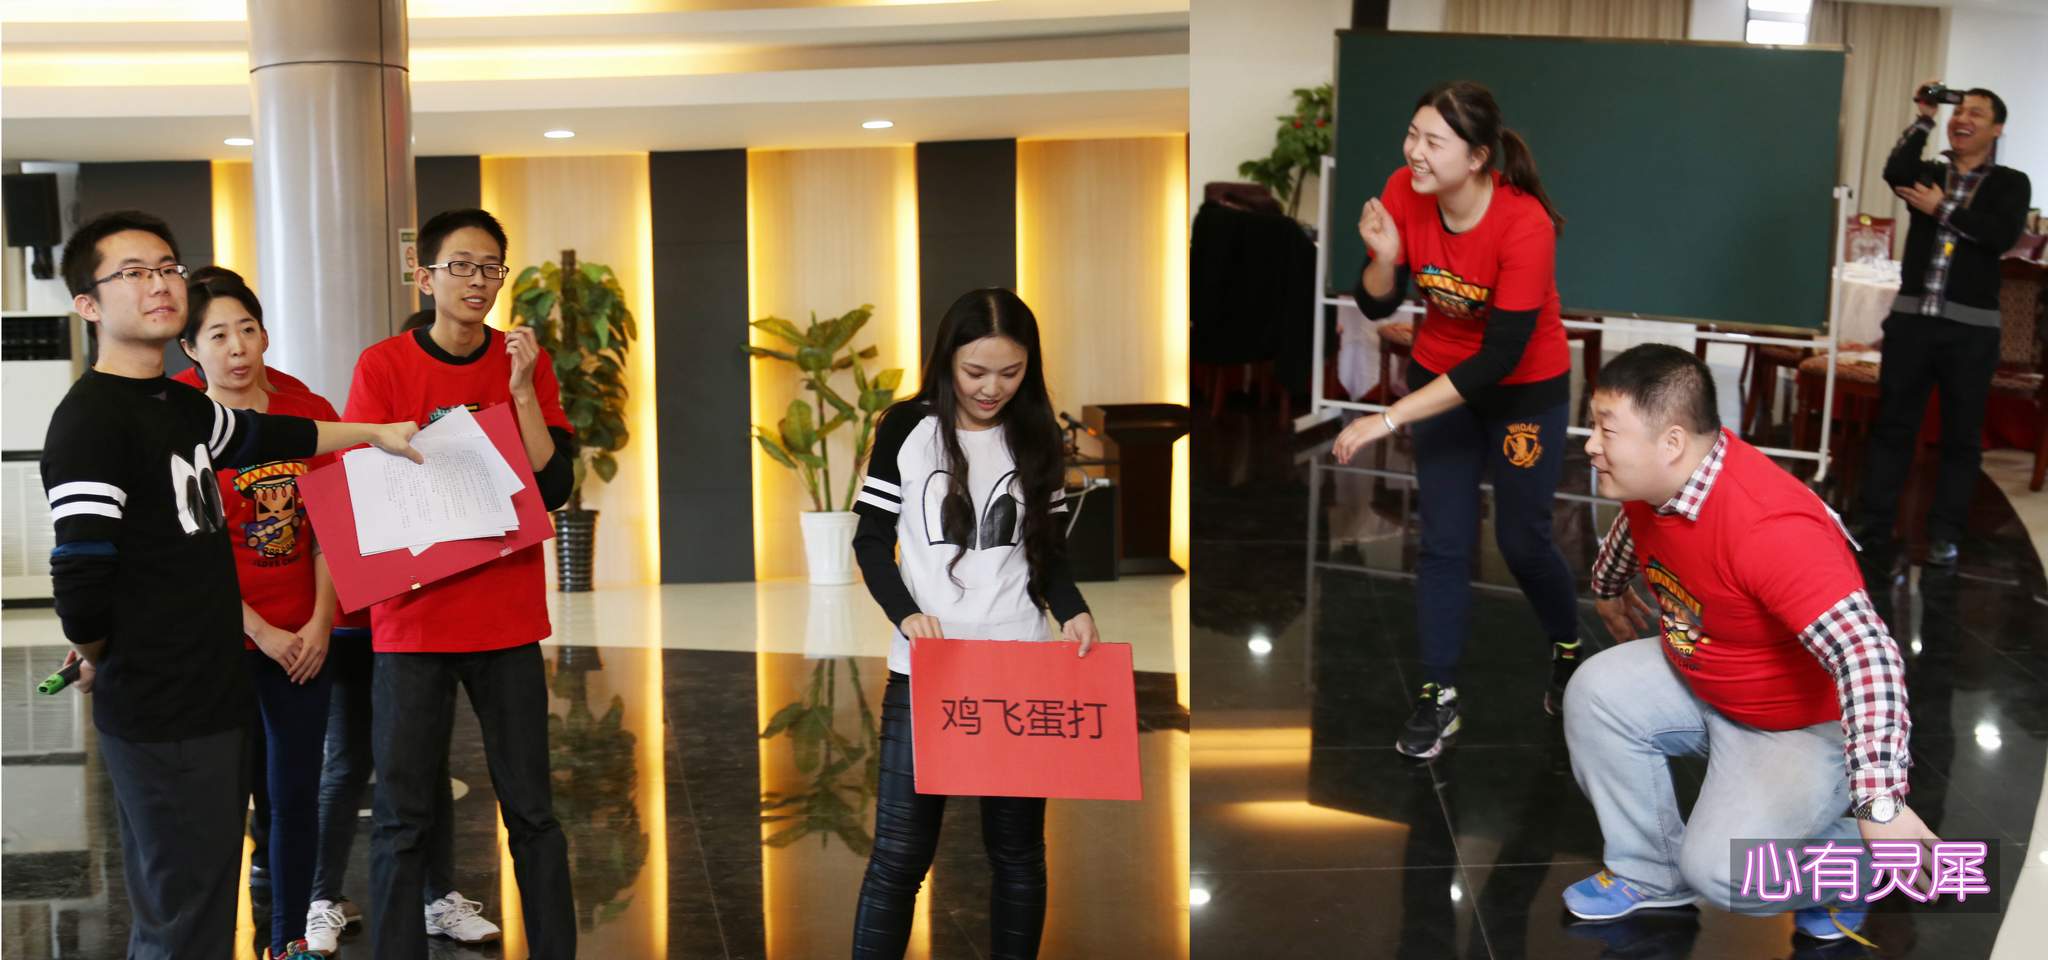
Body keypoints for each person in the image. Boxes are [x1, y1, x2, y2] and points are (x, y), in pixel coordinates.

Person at [42, 210, 420, 960]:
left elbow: (271, 435)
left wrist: (374, 433)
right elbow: (79, 575)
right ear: (88, 304)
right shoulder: (90, 421)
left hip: (211, 696)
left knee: (207, 904)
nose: (159, 284)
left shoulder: (180, 406)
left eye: (167, 268)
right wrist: (100, 651)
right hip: (160, 707)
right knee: (180, 912)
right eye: (134, 273)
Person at [1564, 345, 1933, 946]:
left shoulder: (1770, 526)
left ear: (1671, 442)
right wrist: (1607, 587)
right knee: (1595, 691)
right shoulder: (1658, 480)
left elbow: (1868, 655)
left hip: (1800, 726)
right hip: (1711, 677)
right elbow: (1638, 524)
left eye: (1606, 429)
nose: (1590, 445)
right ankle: (1651, 873)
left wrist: (1880, 805)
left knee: (1726, 871)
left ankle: (1861, 865)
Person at [344, 208, 578, 959]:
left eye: (490, 268)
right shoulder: (383, 366)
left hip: (506, 616)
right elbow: (364, 488)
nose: (477, 281)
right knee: (402, 815)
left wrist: (523, 391)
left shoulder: (525, 362)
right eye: (461, 266)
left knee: (532, 810)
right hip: (412, 620)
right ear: (426, 276)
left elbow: (554, 487)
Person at [1329, 80, 1582, 758]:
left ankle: (1567, 648)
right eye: (1412, 135)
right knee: (1442, 541)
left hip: (1523, 391)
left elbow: (1500, 356)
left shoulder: (1524, 224)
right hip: (1440, 378)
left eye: (1433, 142)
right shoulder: (1404, 190)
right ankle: (1437, 693)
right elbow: (1378, 306)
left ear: (1476, 158)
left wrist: (1388, 419)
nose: (1414, 151)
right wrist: (1385, 260)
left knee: (1524, 542)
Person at [848, 288, 1100, 960]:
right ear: (946, 361)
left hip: (1019, 665)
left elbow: (1047, 551)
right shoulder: (906, 428)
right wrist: (906, 612)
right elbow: (870, 540)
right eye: (975, 372)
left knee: (1017, 853)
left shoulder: (1036, 434)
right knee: (899, 857)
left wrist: (1073, 609)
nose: (992, 388)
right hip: (928, 668)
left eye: (1010, 373)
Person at [176, 266, 340, 959]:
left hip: (304, 640)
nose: (237, 347)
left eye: (247, 329)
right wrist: (261, 630)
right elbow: (190, 552)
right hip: (220, 641)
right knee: (219, 801)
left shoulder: (306, 409)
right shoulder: (177, 419)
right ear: (191, 349)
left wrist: (319, 624)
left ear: (266, 335)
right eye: (218, 335)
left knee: (293, 796)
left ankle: (288, 940)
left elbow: (334, 528)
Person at [1857, 81, 2032, 567]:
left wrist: (1941, 208)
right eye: (1959, 112)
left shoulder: (2011, 183)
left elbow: (1998, 236)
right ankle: (1874, 525)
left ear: (1996, 129)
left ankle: (1946, 535)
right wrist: (1925, 116)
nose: (1963, 119)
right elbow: (1895, 170)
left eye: (1976, 113)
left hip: (1971, 332)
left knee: (1961, 437)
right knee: (1893, 427)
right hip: (1912, 325)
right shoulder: (1930, 172)